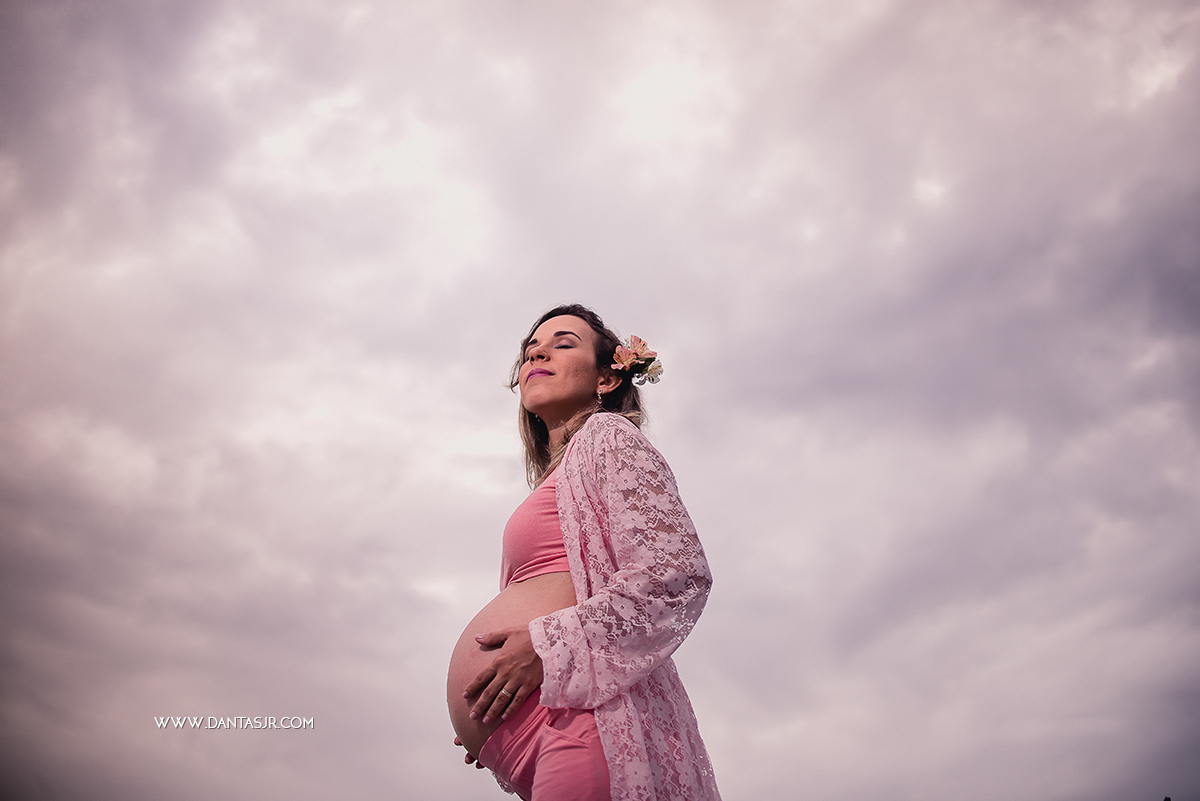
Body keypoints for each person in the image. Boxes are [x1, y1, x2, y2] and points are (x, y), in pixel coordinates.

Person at [445, 304, 721, 801]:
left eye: (564, 342)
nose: (537, 352)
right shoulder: (556, 478)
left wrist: (548, 646)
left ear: (606, 379)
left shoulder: (608, 437)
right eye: (531, 348)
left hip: (580, 724)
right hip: (539, 729)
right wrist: (487, 704)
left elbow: (673, 573)